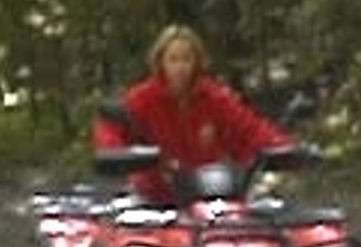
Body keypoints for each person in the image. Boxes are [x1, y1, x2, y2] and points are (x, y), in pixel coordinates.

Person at [94, 24, 292, 203]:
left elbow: (248, 129)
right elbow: (110, 127)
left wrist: (282, 150)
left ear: (197, 62)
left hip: (208, 195)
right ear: (160, 62)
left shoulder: (214, 98)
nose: (180, 67)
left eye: (186, 59)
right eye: (173, 59)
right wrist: (119, 157)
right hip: (155, 198)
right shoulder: (143, 98)